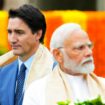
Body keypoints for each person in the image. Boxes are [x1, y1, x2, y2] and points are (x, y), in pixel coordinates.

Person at [23, 23, 105, 105]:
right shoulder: (37, 90)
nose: (89, 52)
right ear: (58, 54)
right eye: (80, 48)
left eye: (89, 46)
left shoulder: (103, 85)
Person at [0, 4, 54, 105]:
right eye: (9, 32)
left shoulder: (55, 71)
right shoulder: (3, 71)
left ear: (38, 34)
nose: (12, 39)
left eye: (19, 32)